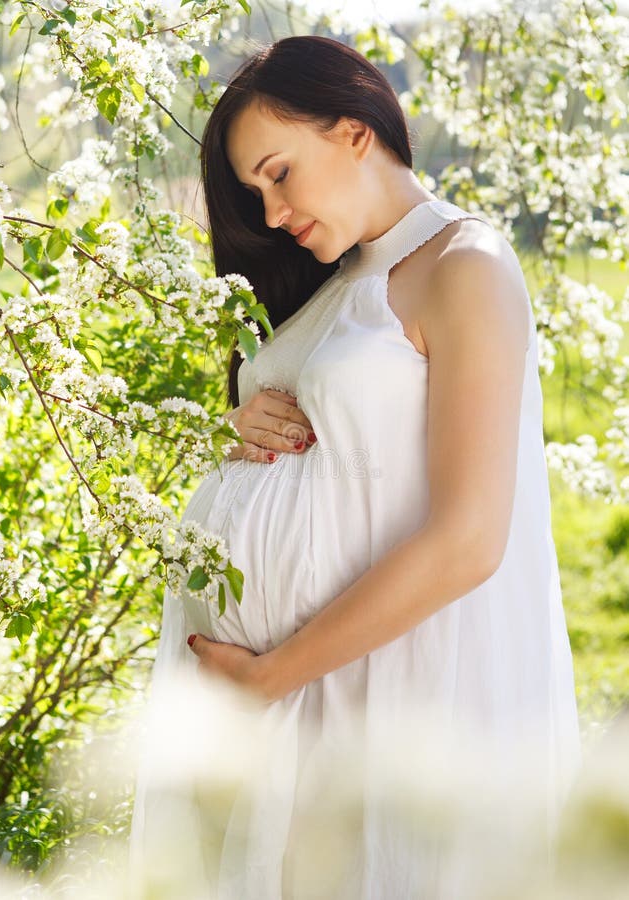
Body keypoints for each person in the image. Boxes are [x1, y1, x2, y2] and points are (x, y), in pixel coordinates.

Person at [128, 34, 580, 899]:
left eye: (278, 172)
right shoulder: (339, 281)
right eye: (254, 192)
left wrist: (269, 678)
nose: (268, 214)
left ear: (353, 129)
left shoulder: (464, 266)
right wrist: (241, 429)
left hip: (394, 693)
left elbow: (470, 540)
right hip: (310, 708)